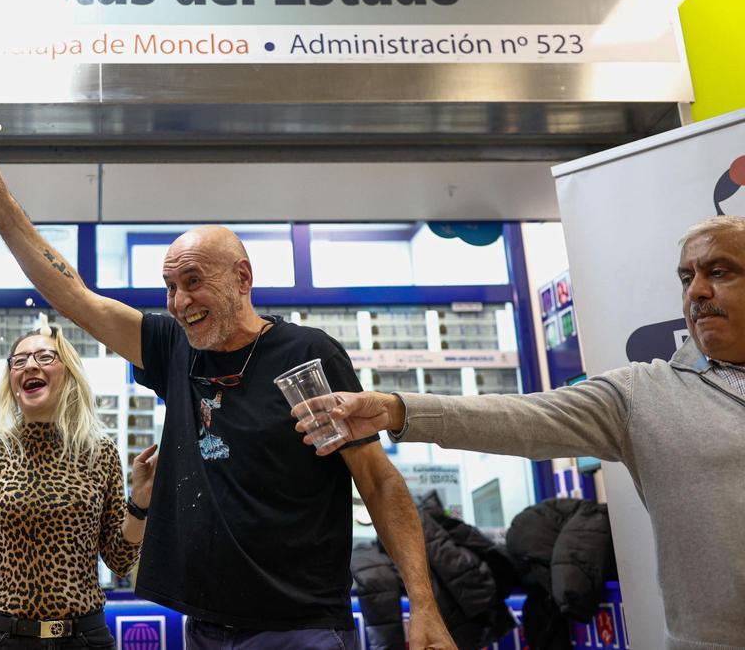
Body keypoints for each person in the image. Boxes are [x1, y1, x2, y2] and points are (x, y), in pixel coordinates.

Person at [0, 154, 456, 649]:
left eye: (193, 282)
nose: (180, 302)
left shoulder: (308, 354)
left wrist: (424, 603)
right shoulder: (175, 351)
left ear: (242, 279)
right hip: (207, 626)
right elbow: (75, 297)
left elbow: (378, 480)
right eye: (169, 287)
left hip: (302, 625)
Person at [294, 215, 745, 649]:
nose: (697, 291)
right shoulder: (643, 394)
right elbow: (517, 418)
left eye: (719, 272)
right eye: (686, 278)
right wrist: (398, 410)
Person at [0, 326, 159, 649]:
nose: (30, 366)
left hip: (83, 637)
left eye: (45, 357)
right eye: (19, 361)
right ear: (11, 380)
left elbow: (119, 560)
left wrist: (140, 504)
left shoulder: (98, 453)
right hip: (2, 636)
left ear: (69, 373)